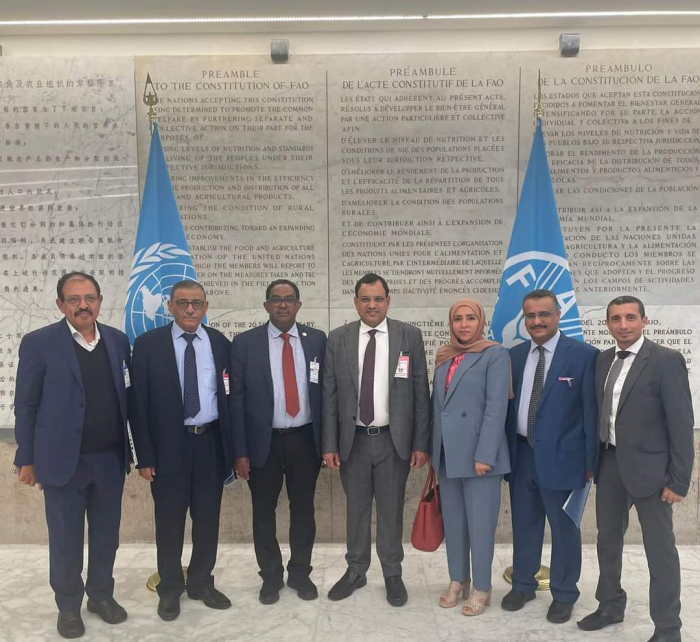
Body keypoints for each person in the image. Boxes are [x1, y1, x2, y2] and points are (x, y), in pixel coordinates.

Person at [14, 272, 132, 639]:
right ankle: (68, 607)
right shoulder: (39, 343)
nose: (83, 305)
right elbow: (26, 404)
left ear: (100, 301)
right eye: (74, 299)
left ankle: (101, 597)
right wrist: (26, 457)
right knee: (66, 540)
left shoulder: (117, 341)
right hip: (62, 461)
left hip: (110, 459)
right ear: (60, 304)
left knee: (106, 536)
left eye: (89, 298)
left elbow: (127, 398)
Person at [577, 296, 694, 642]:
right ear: (607, 324)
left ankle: (668, 628)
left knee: (660, 551)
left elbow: (681, 423)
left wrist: (679, 480)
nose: (623, 325)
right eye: (615, 319)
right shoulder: (602, 360)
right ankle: (610, 606)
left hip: (653, 472)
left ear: (644, 321)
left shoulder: (665, 360)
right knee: (607, 541)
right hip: (610, 463)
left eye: (630, 317)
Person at [322, 273, 430, 607]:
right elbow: (329, 395)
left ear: (388, 301)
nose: (372, 305)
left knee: (391, 509)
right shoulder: (337, 338)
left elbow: (420, 393)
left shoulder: (408, 336)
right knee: (355, 509)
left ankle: (392, 572)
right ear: (356, 302)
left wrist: (420, 443)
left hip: (392, 441)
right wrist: (329, 444)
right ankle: (356, 570)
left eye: (378, 298)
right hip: (352, 441)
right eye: (365, 299)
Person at [130, 280, 233, 622]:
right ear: (170, 306)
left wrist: (233, 450)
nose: (190, 309)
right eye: (183, 303)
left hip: (210, 445)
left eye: (197, 303)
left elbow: (229, 398)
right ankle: (170, 588)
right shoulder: (148, 345)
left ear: (206, 307)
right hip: (167, 448)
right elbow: (138, 405)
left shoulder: (219, 343)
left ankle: (201, 582)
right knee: (169, 522)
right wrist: (144, 456)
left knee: (207, 519)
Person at [501, 289, 598, 624]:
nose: (537, 321)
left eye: (544, 314)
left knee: (564, 530)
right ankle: (523, 585)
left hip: (565, 460)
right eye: (530, 316)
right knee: (524, 525)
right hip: (521, 456)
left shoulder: (584, 355)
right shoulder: (513, 356)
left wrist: (590, 464)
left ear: (558, 314)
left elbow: (591, 413)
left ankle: (564, 593)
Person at [230, 280, 326, 605]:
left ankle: (300, 573)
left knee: (303, 510)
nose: (282, 304)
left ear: (298, 305)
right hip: (263, 443)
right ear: (266, 306)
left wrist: (328, 443)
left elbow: (327, 394)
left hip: (305, 441)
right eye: (276, 299)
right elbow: (236, 400)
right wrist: (240, 451)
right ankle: (270, 576)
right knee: (263, 512)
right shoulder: (245, 343)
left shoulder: (317, 340)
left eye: (289, 299)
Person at [431, 298, 511, 616]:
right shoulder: (444, 356)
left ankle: (482, 587)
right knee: (454, 524)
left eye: (470, 318)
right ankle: (458, 579)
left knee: (480, 526)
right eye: (457, 319)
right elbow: (438, 407)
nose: (464, 324)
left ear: (481, 322)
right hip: (447, 454)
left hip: (480, 456)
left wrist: (485, 453)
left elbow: (496, 407)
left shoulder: (494, 354)